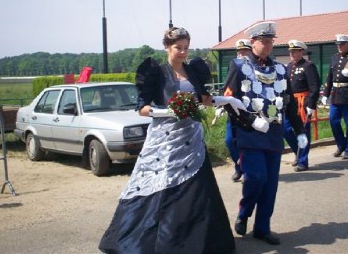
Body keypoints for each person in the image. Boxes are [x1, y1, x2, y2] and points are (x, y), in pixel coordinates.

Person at [99, 26, 245, 254]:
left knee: (198, 190)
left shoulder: (194, 70)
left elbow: (203, 100)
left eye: (186, 48)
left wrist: (227, 101)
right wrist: (167, 112)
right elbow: (143, 109)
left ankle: (200, 243)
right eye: (178, 48)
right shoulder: (155, 73)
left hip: (191, 139)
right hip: (165, 140)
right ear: (167, 47)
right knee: (164, 188)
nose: (183, 52)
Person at [221, 21, 307, 245]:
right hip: (249, 133)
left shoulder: (280, 69)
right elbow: (228, 102)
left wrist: (299, 130)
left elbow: (288, 104)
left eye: (271, 42)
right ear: (253, 42)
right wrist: (250, 120)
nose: (269, 46)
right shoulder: (238, 67)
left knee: (270, 185)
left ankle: (262, 227)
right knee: (256, 177)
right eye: (264, 42)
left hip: (273, 133)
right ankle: (244, 212)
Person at [321, 34, 348, 159]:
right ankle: (341, 144)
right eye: (338, 45)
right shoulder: (334, 57)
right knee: (333, 120)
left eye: (342, 44)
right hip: (335, 94)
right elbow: (330, 76)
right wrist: (325, 93)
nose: (339, 47)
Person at [283, 39, 321, 171]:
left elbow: (314, 87)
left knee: (302, 132)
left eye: (295, 51)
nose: (292, 54)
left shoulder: (308, 66)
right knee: (286, 130)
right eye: (291, 51)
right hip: (290, 103)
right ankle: (298, 153)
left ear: (302, 52)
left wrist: (311, 104)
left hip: (302, 103)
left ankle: (303, 161)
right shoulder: (288, 67)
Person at [225, 38, 253, 182]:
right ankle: (239, 168)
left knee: (246, 143)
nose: (242, 55)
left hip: (249, 112)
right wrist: (222, 104)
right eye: (239, 52)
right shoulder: (234, 66)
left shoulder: (255, 68)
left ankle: (247, 170)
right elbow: (228, 87)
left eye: (245, 52)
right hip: (233, 111)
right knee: (230, 141)